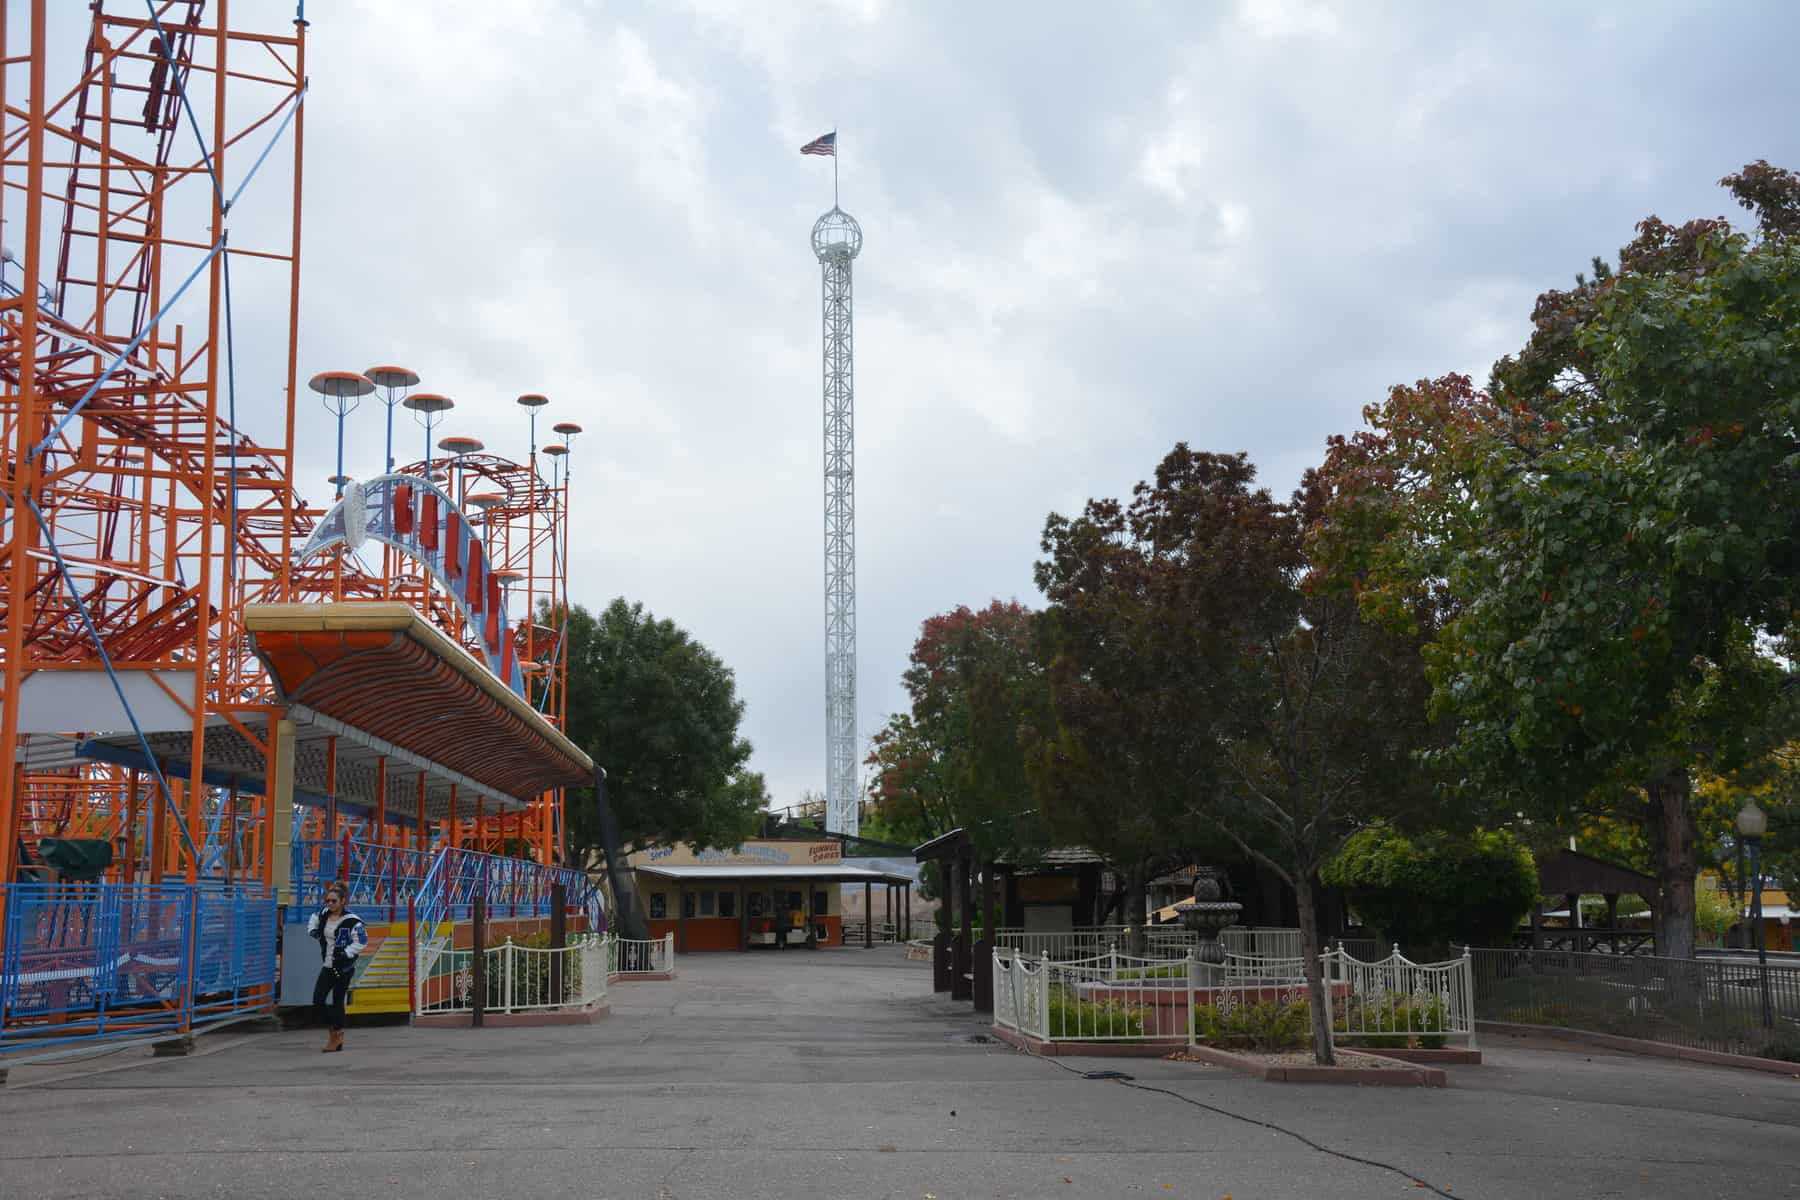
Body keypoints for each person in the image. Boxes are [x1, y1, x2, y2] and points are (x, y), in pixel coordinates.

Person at [306, 882, 367, 1053]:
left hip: (343, 967)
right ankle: (335, 1032)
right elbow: (313, 920)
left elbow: (362, 941)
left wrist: (346, 953)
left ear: (342, 901)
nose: (330, 904)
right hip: (327, 965)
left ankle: (336, 1036)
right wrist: (313, 931)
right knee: (318, 1000)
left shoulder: (352, 921)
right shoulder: (323, 914)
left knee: (338, 1001)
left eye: (334, 901)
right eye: (328, 901)